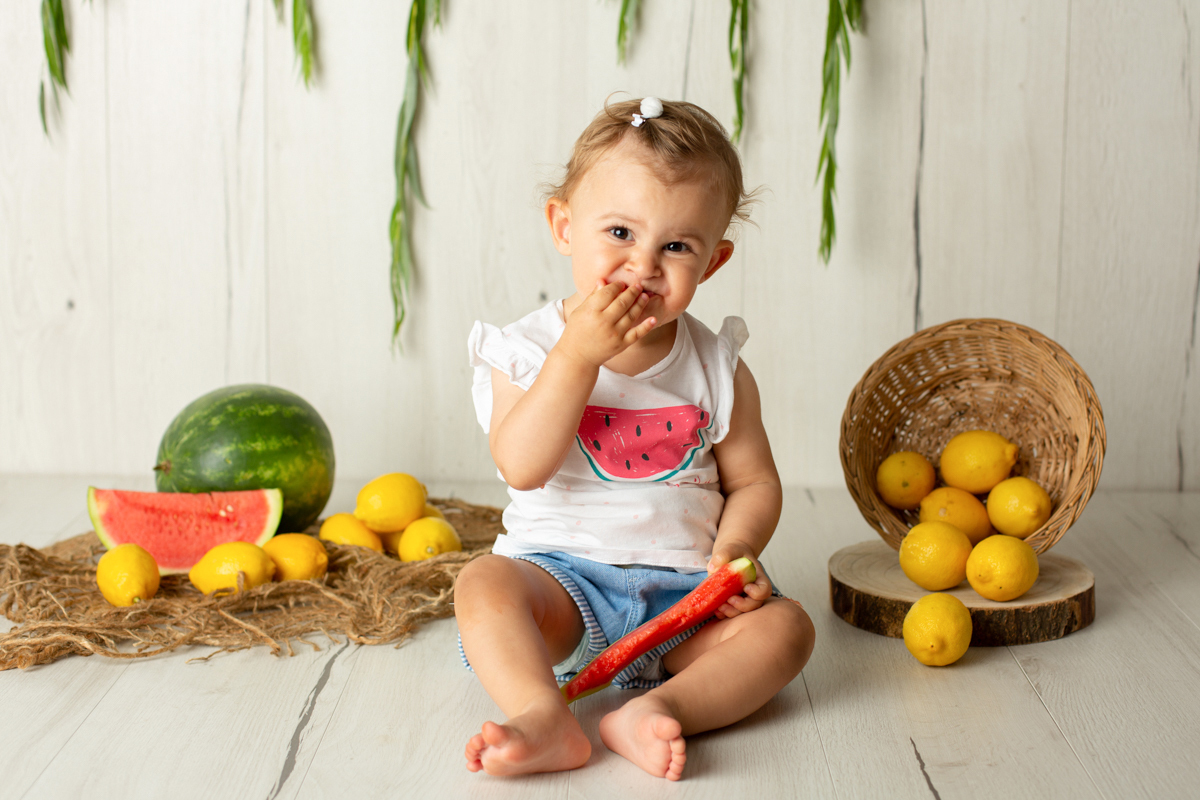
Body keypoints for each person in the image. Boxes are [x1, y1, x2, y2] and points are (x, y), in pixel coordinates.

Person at [456, 96, 815, 781]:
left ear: (711, 264)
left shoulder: (717, 366)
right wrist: (576, 357)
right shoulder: (526, 352)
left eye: (676, 246)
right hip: (560, 584)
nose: (643, 265)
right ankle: (542, 713)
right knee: (483, 583)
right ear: (564, 225)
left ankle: (660, 709)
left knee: (788, 630)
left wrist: (734, 550)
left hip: (686, 598)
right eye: (619, 232)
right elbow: (522, 464)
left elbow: (754, 482)